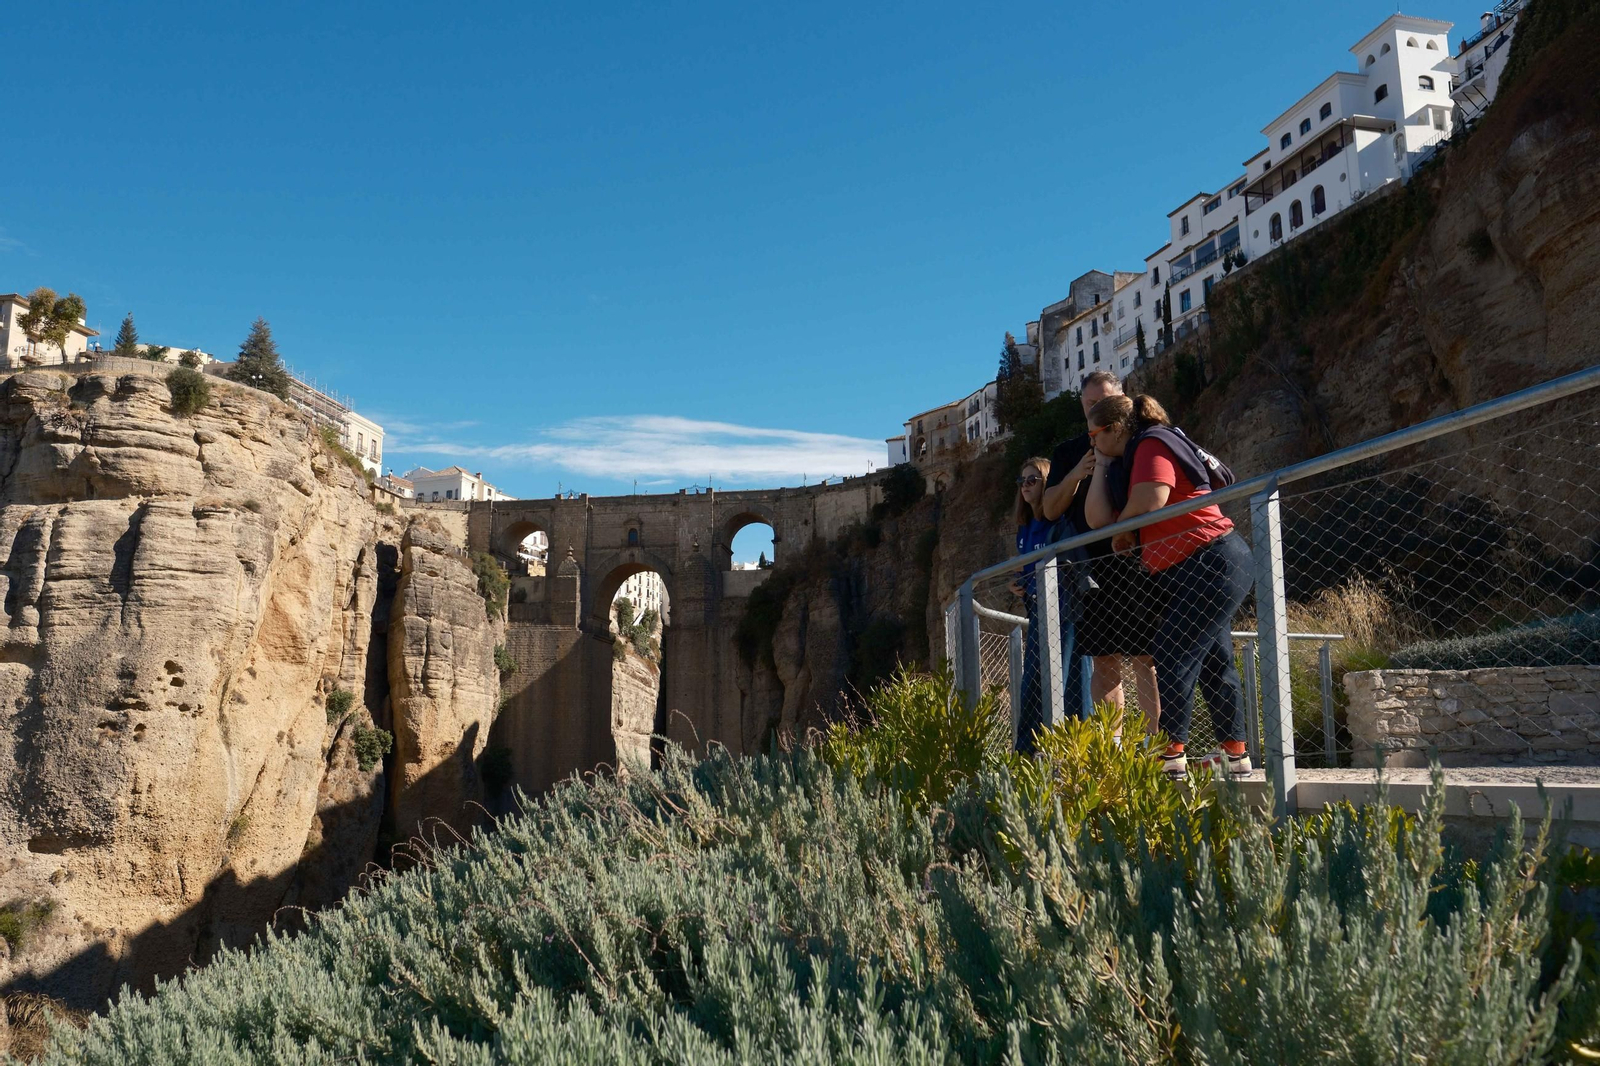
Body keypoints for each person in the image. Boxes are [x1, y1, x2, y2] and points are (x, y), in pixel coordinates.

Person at [1083, 394, 1253, 779]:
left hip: (1212, 559)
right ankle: (1234, 752)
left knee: (1170, 649)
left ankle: (1170, 753)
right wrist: (1105, 465)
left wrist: (1123, 531)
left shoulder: (1151, 441)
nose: (1091, 442)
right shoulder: (1133, 452)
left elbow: (1154, 495)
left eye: (1095, 434)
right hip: (1207, 564)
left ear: (1114, 429)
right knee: (1214, 660)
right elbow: (1099, 518)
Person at [1041, 371, 1161, 729]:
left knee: (1146, 657)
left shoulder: (1142, 442)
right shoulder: (1067, 452)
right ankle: (1114, 749)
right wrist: (1077, 473)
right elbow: (1049, 510)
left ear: (1124, 400)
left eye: (1106, 401)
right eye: (1092, 403)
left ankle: (1160, 746)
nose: (1099, 408)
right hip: (1090, 569)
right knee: (1104, 661)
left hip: (1138, 562)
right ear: (1082, 405)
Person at [1009, 456, 1052, 754]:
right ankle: (1029, 749)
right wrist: (1018, 583)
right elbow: (1029, 569)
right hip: (1036, 608)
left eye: (1032, 480)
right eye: (1022, 480)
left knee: (1045, 680)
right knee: (1032, 682)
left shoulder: (1053, 520)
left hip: (1058, 609)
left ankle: (1040, 747)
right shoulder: (1025, 526)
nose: (1025, 486)